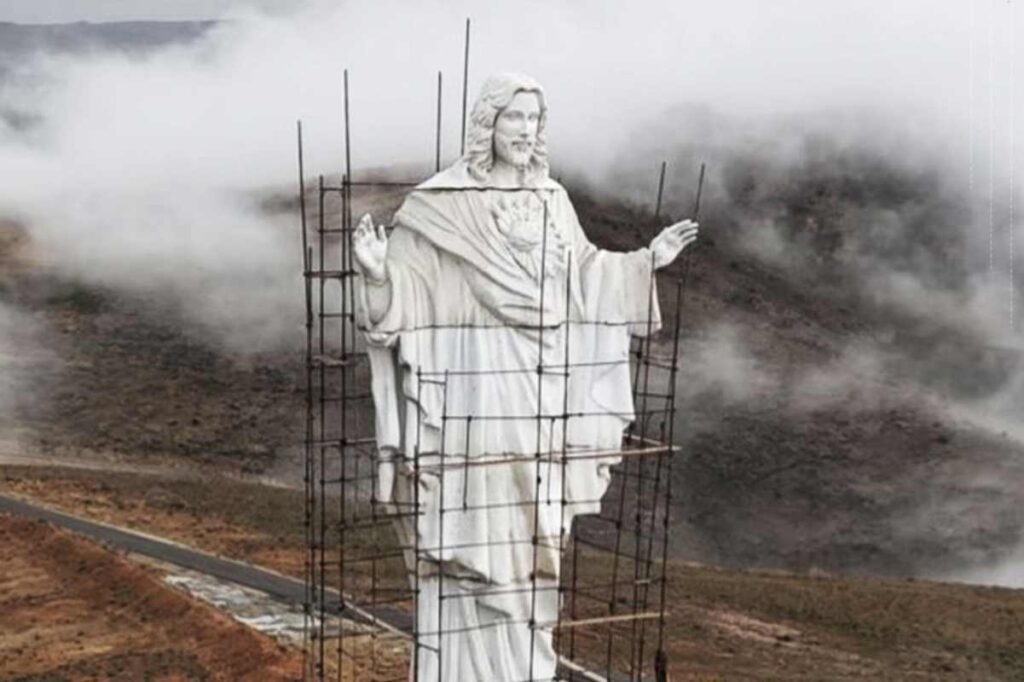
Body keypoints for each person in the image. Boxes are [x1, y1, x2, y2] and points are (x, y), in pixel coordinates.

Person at [354, 72, 698, 682]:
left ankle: (519, 670)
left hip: (540, 391)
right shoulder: (442, 207)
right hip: (471, 390)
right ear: (488, 124)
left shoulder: (552, 200)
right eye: (514, 118)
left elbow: (585, 277)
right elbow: (405, 303)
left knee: (532, 535)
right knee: (470, 529)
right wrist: (379, 275)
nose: (525, 130)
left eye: (534, 120)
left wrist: (647, 263)